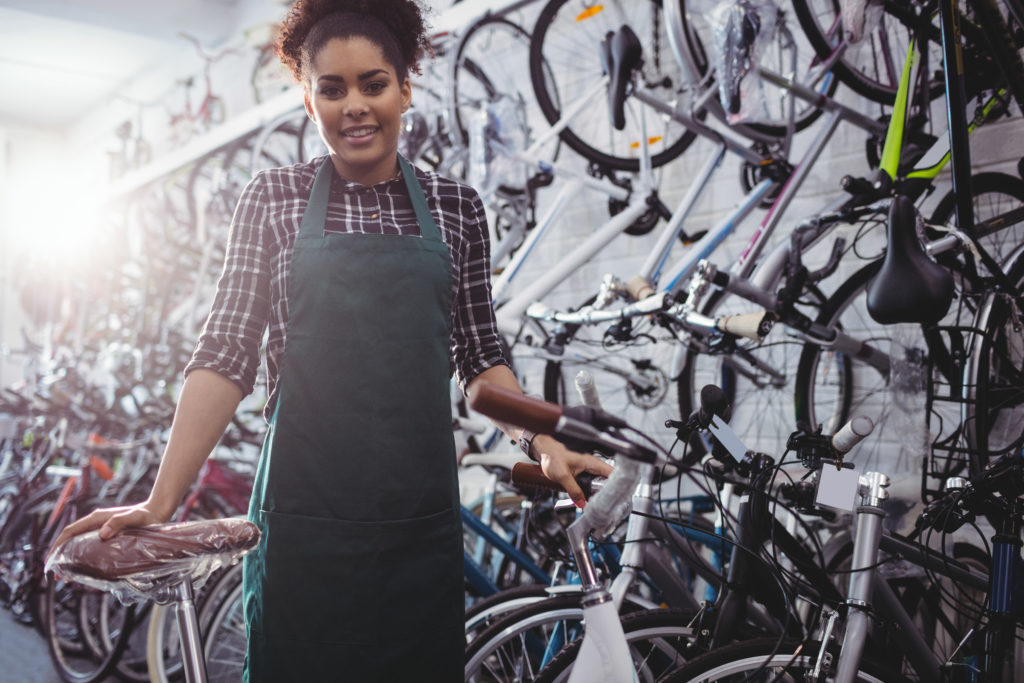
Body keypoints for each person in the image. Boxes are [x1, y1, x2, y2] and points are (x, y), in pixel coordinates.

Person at [51, 0, 612, 681]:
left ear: (406, 87)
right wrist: (161, 499)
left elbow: (479, 356)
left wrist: (543, 440)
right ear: (306, 97)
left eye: (373, 83)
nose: (355, 105)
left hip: (420, 529)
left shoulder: (457, 207)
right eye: (332, 87)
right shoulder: (272, 199)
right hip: (302, 529)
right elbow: (225, 354)